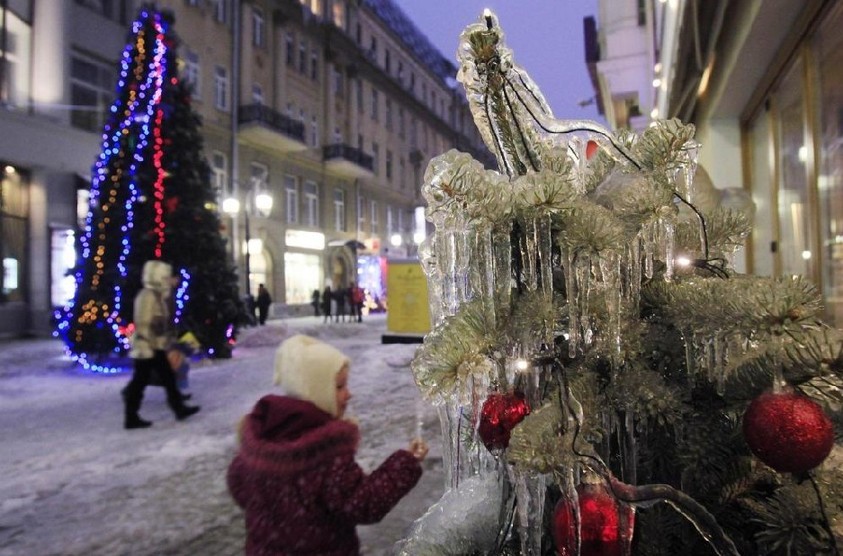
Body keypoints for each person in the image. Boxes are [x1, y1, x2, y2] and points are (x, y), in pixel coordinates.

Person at [227, 334, 428, 556]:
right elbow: (363, 503)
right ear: (316, 392)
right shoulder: (326, 454)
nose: (349, 394)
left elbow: (237, 483)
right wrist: (405, 464)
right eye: (340, 386)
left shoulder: (261, 437)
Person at [122, 260, 200, 429]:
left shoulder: (157, 295)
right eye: (165, 277)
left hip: (154, 345)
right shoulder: (147, 295)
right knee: (141, 381)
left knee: (166, 378)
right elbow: (144, 321)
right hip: (147, 346)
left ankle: (178, 408)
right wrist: (149, 340)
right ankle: (131, 416)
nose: (168, 280)